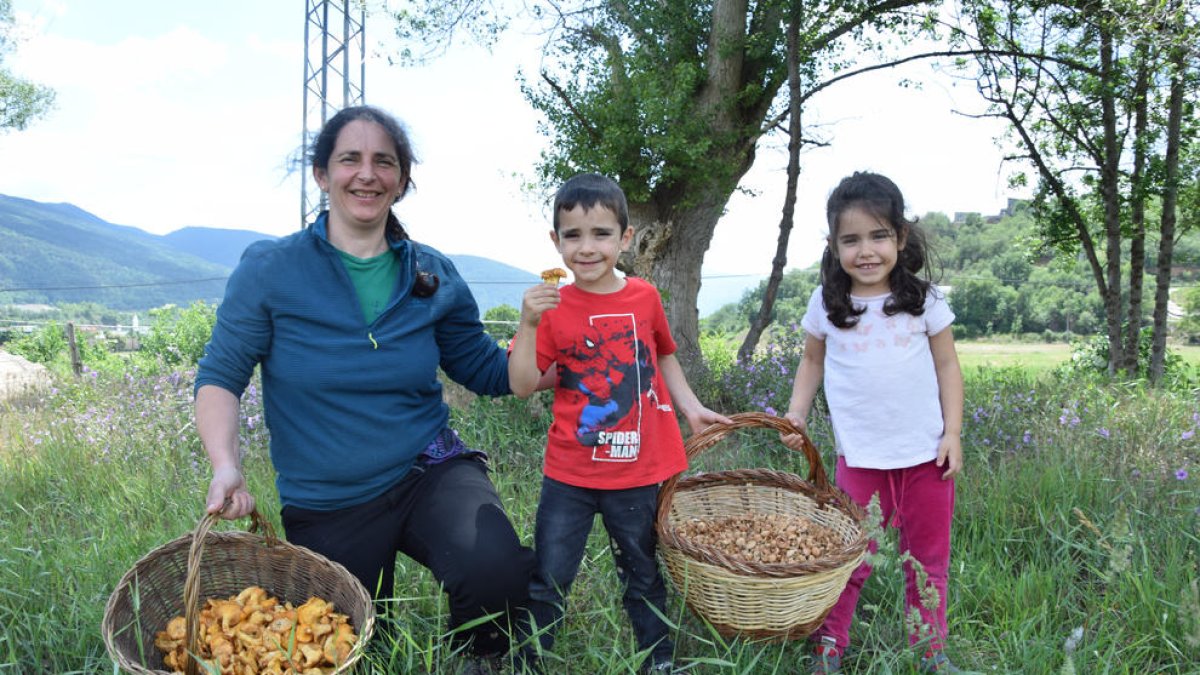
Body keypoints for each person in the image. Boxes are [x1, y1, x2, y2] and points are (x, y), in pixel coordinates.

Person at [193, 104, 535, 674]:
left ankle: (482, 660)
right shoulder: (271, 269)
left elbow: (485, 369)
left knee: (495, 569)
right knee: (351, 644)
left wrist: (559, 351)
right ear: (323, 175)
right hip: (328, 498)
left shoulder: (432, 273)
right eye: (350, 159)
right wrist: (225, 464)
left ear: (402, 180)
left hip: (428, 469)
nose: (367, 174)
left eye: (384, 161)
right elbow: (221, 376)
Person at [507, 173, 730, 673]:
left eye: (601, 234)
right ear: (555, 241)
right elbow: (522, 384)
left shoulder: (645, 297)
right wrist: (527, 324)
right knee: (550, 576)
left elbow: (665, 356)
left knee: (643, 572)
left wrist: (691, 408)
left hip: (637, 471)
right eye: (573, 236)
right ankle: (530, 661)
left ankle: (659, 659)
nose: (587, 248)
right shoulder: (552, 308)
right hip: (570, 476)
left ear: (625, 238)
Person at [780, 172, 964, 674]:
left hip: (928, 457)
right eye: (851, 239)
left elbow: (948, 366)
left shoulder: (923, 301)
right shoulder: (827, 304)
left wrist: (952, 433)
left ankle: (929, 650)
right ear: (833, 245)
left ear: (901, 238)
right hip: (860, 459)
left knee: (927, 562)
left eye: (879, 236)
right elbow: (812, 363)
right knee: (850, 559)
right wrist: (796, 412)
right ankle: (829, 647)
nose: (866, 251)